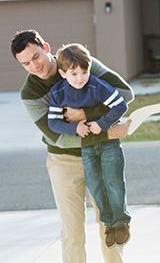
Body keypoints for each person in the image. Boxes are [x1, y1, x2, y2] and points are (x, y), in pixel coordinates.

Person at [11, 29, 132, 263]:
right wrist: (108, 132)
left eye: (36, 57)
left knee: (110, 223)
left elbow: (125, 94)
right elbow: (56, 136)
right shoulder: (30, 93)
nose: (34, 66)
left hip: (100, 155)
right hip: (63, 160)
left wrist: (85, 113)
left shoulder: (78, 62)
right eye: (25, 64)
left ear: (46, 47)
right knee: (72, 231)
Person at [48, 43, 131, 248]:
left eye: (83, 72)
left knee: (113, 183)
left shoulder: (97, 86)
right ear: (62, 73)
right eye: (73, 73)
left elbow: (120, 105)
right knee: (95, 186)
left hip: (108, 144)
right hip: (86, 147)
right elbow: (53, 122)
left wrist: (100, 124)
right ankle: (108, 222)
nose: (80, 78)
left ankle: (121, 221)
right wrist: (75, 129)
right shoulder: (58, 93)